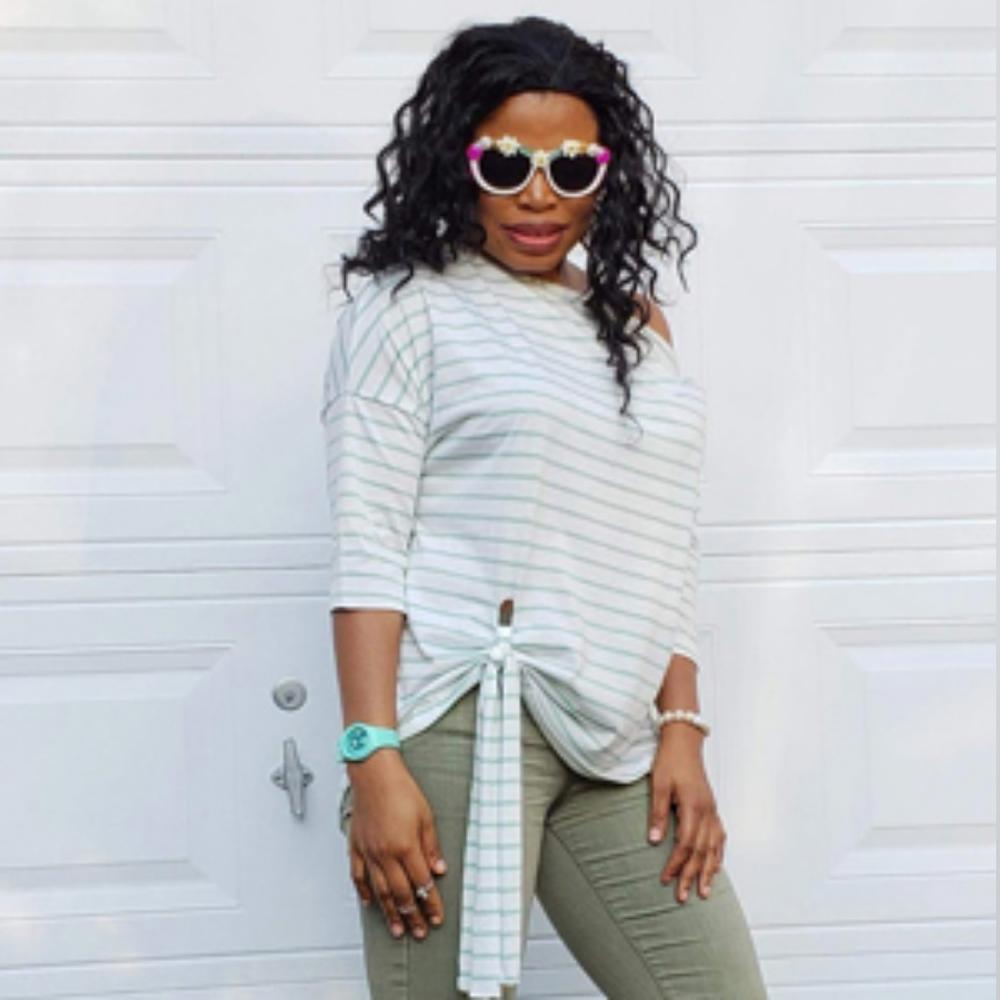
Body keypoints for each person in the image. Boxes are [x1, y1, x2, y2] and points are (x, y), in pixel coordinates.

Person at [320, 15, 769, 1000]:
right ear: (457, 162)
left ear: (607, 175)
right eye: (504, 164)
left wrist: (681, 723)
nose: (537, 196)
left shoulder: (635, 325)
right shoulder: (409, 307)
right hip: (458, 724)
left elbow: (663, 539)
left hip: (614, 733)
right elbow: (367, 545)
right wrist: (371, 757)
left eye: (570, 169)